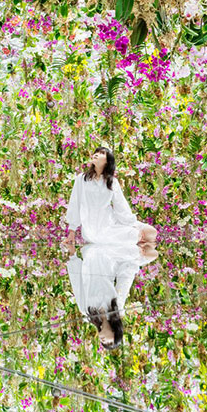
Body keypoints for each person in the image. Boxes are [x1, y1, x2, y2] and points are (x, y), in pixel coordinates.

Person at [61, 147, 158, 350]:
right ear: (115, 333)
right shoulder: (81, 180)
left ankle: (136, 236)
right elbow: (75, 204)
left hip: (110, 227)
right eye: (109, 341)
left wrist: (132, 225)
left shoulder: (88, 314)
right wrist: (71, 232)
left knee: (150, 234)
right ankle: (135, 239)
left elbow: (122, 208)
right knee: (148, 239)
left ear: (108, 161)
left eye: (101, 153)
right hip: (93, 231)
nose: (95, 154)